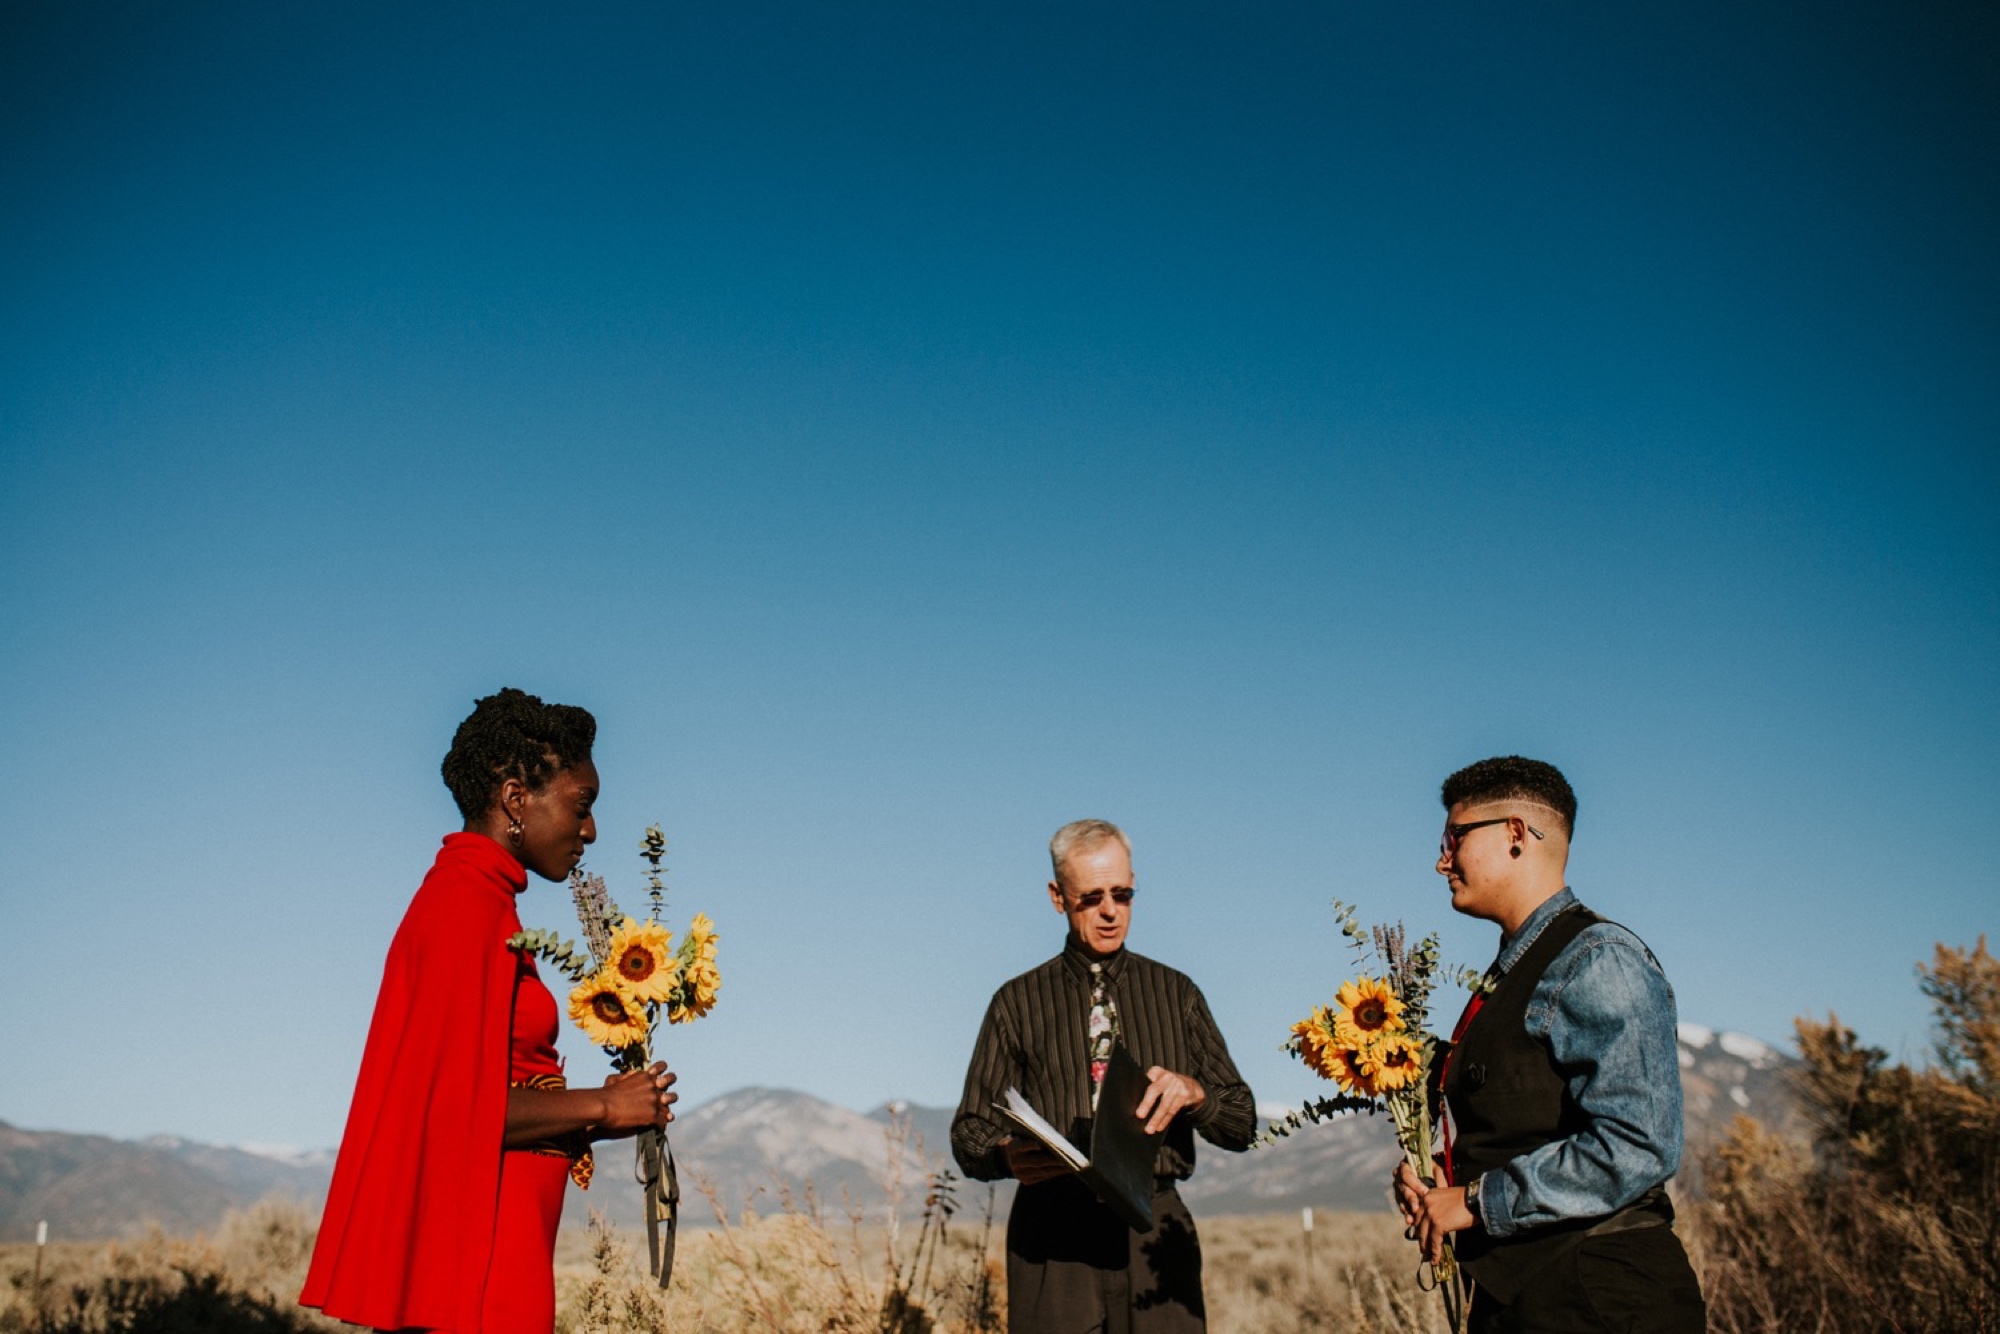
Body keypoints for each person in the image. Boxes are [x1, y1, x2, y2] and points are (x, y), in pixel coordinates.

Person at [300, 688, 678, 1334]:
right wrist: (602, 1105)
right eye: (581, 807)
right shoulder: (463, 908)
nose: (590, 831)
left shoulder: (485, 904)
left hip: (498, 1249)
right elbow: (448, 1111)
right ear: (514, 799)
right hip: (476, 1264)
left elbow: (492, 1092)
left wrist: (595, 1112)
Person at [1394, 756, 1706, 1333]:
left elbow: (1637, 1144)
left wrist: (1472, 1203)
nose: (1442, 860)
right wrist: (1442, 1182)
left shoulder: (1596, 958)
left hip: (1599, 1298)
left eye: (1454, 837)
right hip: (1529, 1298)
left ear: (1515, 834)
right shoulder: (1516, 972)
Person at [951, 819, 1255, 1334]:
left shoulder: (1177, 993)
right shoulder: (1015, 1002)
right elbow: (968, 1134)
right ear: (1057, 897)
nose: (1111, 911)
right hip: (1053, 1235)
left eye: (1123, 893)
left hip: (1157, 1228)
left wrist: (1196, 1094)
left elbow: (1241, 1123)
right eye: (1091, 898)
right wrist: (1006, 1156)